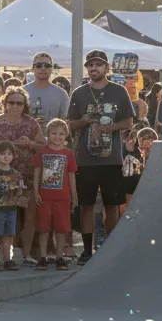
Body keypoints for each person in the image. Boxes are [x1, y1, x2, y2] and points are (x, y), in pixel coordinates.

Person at [67, 50, 134, 264]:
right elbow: (70, 124)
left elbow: (128, 122)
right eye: (90, 65)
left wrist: (110, 128)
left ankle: (110, 249)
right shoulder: (79, 93)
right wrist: (84, 121)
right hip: (85, 160)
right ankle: (87, 250)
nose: (94, 68)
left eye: (98, 64)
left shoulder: (119, 91)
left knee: (111, 205)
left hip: (111, 159)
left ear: (106, 67)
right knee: (86, 205)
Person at [0, 85, 45, 266]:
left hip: (26, 177)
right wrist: (0, 146)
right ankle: (2, 255)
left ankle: (26, 254)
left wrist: (30, 144)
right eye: (11, 102)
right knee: (3, 216)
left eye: (20, 103)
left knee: (29, 216)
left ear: (25, 105)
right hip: (0, 178)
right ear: (5, 103)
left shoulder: (32, 124)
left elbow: (44, 147)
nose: (15, 106)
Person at [32, 118, 78, 271]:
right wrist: (36, 191)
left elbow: (71, 175)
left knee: (61, 229)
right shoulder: (42, 152)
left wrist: (74, 195)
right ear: (48, 134)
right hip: (44, 196)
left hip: (63, 197)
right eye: (54, 133)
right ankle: (43, 256)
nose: (57, 137)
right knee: (43, 228)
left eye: (61, 134)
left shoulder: (68, 153)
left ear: (66, 135)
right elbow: (37, 172)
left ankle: (59, 257)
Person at [0, 140, 26, 271]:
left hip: (11, 209)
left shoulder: (17, 174)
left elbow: (19, 193)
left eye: (9, 154)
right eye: (3, 154)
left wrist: (20, 189)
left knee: (8, 236)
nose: (6, 156)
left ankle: (7, 260)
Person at [25, 52, 70, 127]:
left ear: (52, 69)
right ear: (32, 68)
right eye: (38, 66)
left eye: (47, 66)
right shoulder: (23, 92)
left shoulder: (61, 94)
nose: (43, 68)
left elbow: (65, 122)